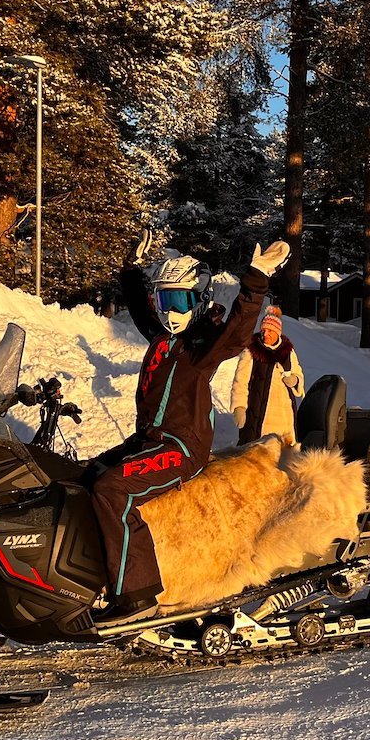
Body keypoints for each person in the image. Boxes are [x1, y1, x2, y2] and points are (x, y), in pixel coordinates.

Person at [92, 231, 289, 625]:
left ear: (199, 300)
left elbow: (237, 332)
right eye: (165, 300)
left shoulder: (201, 347)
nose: (171, 311)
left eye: (180, 301)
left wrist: (256, 281)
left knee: (111, 491)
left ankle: (137, 594)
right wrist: (131, 270)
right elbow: (141, 310)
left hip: (180, 448)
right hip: (149, 440)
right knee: (89, 474)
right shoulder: (164, 339)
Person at [231, 306, 305, 444]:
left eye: (270, 331)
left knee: (284, 450)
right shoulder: (252, 350)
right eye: (263, 330)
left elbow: (297, 372)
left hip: (284, 415)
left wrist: (295, 380)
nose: (265, 334)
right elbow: (240, 381)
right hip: (258, 412)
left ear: (278, 332)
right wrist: (239, 407)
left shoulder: (287, 351)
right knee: (258, 451)